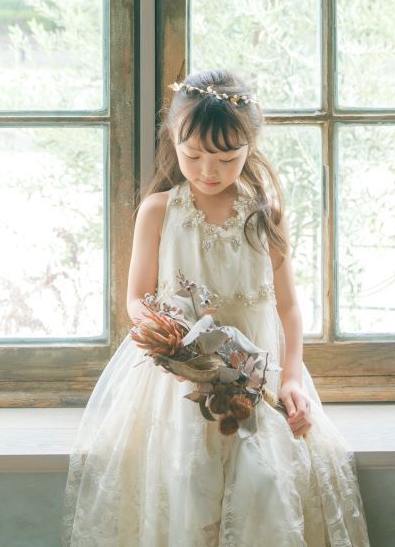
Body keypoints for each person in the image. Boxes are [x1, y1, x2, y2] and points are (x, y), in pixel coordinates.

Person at [61, 68, 371, 547]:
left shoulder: (265, 214)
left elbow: (288, 307)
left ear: (249, 146)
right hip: (178, 378)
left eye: (226, 158)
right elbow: (135, 298)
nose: (209, 171)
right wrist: (172, 340)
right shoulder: (160, 210)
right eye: (193, 156)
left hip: (258, 375)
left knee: (264, 489)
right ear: (174, 140)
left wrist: (291, 378)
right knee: (186, 486)